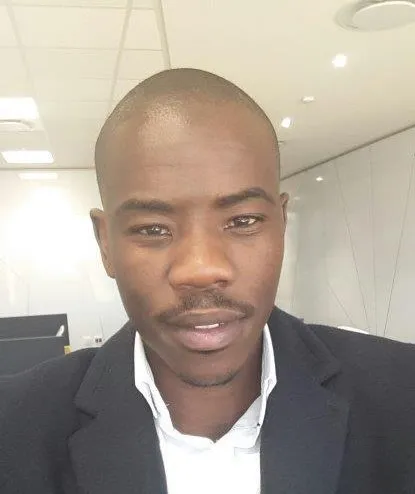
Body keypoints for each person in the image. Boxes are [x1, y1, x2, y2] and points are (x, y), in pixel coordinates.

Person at [0, 68, 414, 494]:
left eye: (243, 221)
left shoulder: (403, 395)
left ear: (281, 224)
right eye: (152, 229)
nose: (200, 269)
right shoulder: (13, 428)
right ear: (105, 243)